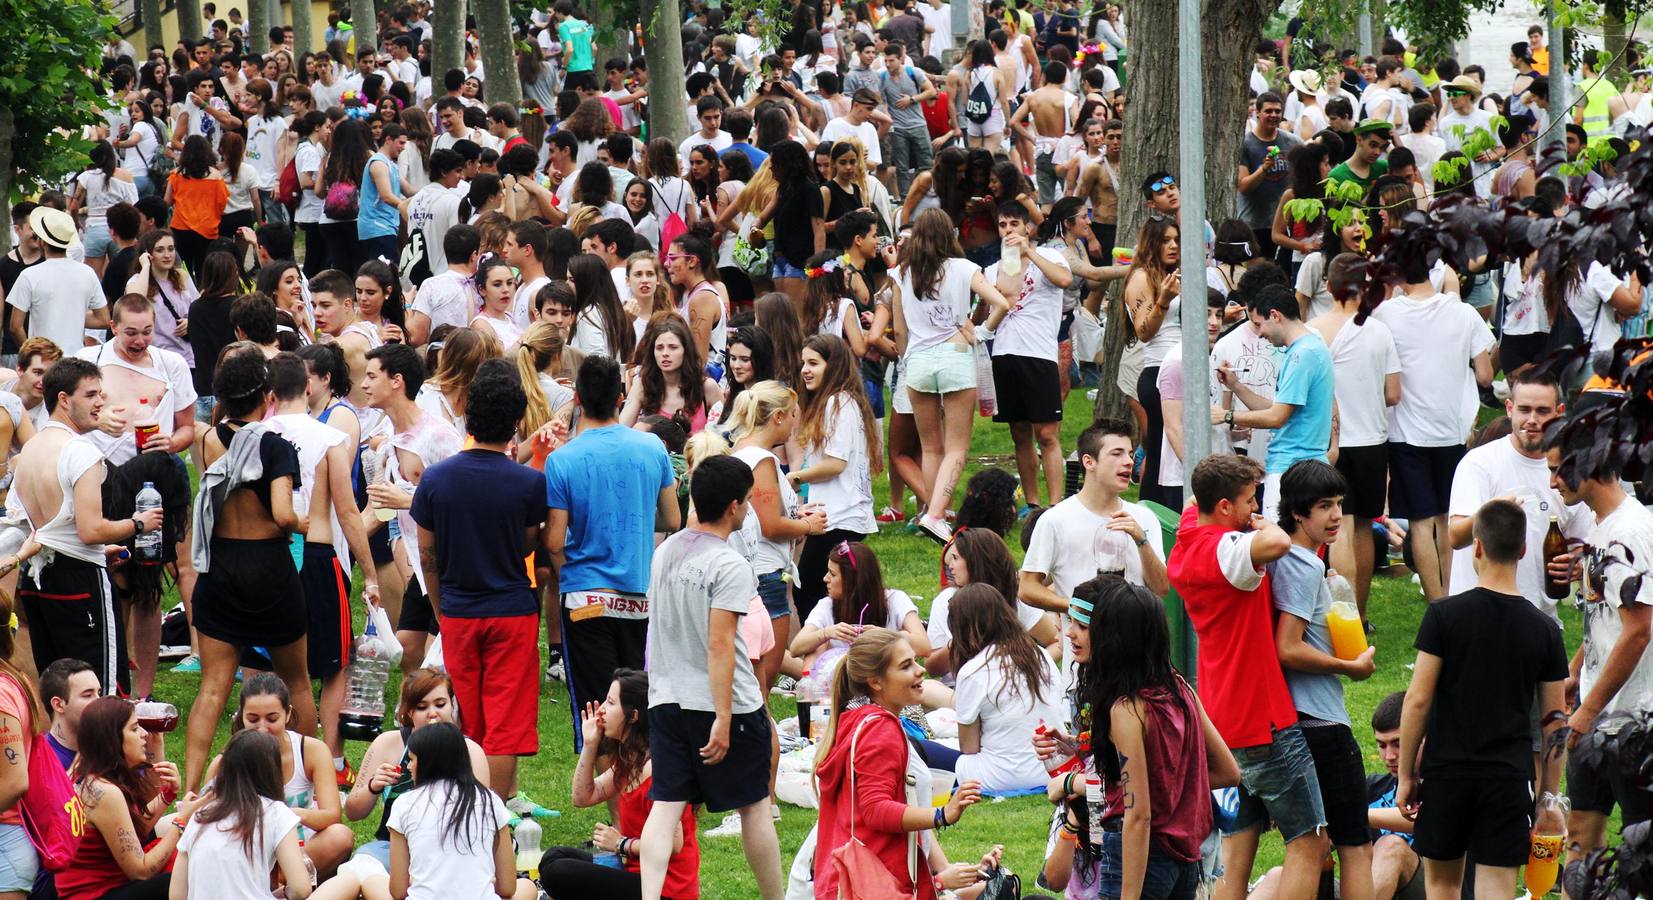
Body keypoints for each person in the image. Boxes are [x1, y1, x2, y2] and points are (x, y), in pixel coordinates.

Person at [1167, 453, 1328, 900]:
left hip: (1221, 715)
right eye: (1248, 500)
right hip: (1264, 716)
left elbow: (1190, 511)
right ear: (1223, 508)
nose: (1255, 507)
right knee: (1309, 841)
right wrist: (1261, 525)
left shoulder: (1187, 542)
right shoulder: (1227, 552)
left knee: (1239, 848)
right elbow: (1276, 543)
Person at [1396, 499, 1569, 900]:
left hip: (1446, 772)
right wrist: (1548, 794)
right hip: (1507, 778)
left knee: (1442, 885)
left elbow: (1418, 701)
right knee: (1497, 888)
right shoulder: (1546, 630)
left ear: (1476, 547)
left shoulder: (1444, 615)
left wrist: (1406, 775)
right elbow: (1555, 720)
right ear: (1524, 550)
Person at [637, 454, 781, 900]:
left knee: (666, 806)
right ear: (735, 506)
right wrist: (722, 716)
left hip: (666, 699)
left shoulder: (664, 552)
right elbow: (720, 645)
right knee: (755, 805)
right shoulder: (729, 565)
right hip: (728, 705)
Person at [1046, 576, 1239, 900]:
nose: (1070, 632)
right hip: (1183, 859)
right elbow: (1228, 771)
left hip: (1136, 858)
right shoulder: (1180, 690)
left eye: (1090, 625)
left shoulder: (1127, 709)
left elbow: (1138, 814)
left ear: (1116, 637)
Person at [412, 359, 547, 805]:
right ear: (514, 425)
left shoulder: (435, 479)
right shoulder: (529, 483)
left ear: (468, 417)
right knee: (504, 724)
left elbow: (427, 556)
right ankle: (495, 810)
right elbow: (528, 545)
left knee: (462, 715)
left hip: (458, 609)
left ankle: (458, 803)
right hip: (512, 610)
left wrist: (438, 606)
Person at [184, 350, 314, 793]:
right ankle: (309, 777)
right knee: (296, 679)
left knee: (213, 687)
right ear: (268, 396)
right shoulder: (276, 447)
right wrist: (303, 521)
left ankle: (190, 787)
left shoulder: (207, 441)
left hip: (220, 567)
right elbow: (281, 514)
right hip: (269, 568)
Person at [545, 355, 679, 749]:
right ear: (621, 397)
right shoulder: (652, 446)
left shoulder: (562, 459)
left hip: (586, 598)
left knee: (597, 710)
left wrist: (567, 568)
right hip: (638, 598)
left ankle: (618, 808)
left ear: (578, 400)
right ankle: (640, 796)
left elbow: (553, 542)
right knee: (636, 704)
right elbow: (671, 516)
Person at [812, 627, 998, 900]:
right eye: (905, 666)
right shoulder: (881, 731)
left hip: (858, 878)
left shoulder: (857, 721)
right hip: (875, 881)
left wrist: (943, 872)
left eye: (915, 660)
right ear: (876, 682)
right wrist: (942, 814)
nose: (920, 670)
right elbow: (875, 809)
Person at [264, 352, 378, 786]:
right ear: (307, 388)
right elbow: (348, 514)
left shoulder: (256, 435)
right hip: (316, 556)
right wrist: (368, 573)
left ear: (270, 394)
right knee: (333, 664)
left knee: (270, 661)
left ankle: (270, 754)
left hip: (267, 556)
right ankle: (327, 759)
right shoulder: (328, 439)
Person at [14, 358, 158, 695]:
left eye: (100, 394)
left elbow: (50, 528)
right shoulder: (79, 451)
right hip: (79, 579)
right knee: (101, 692)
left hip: (38, 580)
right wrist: (138, 523)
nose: (100, 403)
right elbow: (90, 530)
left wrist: (94, 546)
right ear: (64, 399)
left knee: (60, 693)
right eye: (91, 395)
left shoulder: (30, 449)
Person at [1543, 426, 1653, 860]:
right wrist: (1575, 671)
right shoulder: (1600, 527)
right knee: (1581, 837)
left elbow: (1639, 629)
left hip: (1636, 720)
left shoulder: (1630, 533)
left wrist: (1587, 712)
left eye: (1558, 471)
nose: (1553, 482)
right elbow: (1604, 618)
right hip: (1596, 712)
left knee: (1641, 846)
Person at [1271, 460, 1377, 900]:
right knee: (1355, 845)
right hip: (1321, 723)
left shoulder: (1282, 558)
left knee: (1310, 845)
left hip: (1288, 721)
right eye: (1323, 506)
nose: (1335, 516)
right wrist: (1350, 668)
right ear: (1297, 512)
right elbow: (1288, 647)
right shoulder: (1303, 566)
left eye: (1338, 504)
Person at [1370, 253, 1493, 602]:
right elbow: (1485, 374)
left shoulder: (1386, 315)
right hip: (1452, 429)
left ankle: (1436, 599)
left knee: (1422, 521)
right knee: (1447, 517)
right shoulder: (1463, 312)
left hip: (1407, 432)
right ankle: (1454, 592)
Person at [890, 208, 1011, 543]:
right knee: (957, 448)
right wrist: (983, 333)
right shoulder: (964, 268)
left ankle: (934, 511)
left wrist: (904, 360)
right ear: (950, 234)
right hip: (956, 356)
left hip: (917, 360)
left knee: (931, 448)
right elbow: (1001, 303)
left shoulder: (902, 272)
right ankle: (934, 514)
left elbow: (900, 330)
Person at [538, 670, 701, 899]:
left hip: (665, 890)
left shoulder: (656, 769)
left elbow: (673, 844)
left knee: (559, 872)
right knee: (554, 857)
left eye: (611, 703)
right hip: (633, 871)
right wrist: (590, 744)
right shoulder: (630, 761)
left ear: (633, 716)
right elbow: (582, 797)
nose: (601, 708)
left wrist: (621, 843)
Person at [361, 343, 461, 689]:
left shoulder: (439, 436)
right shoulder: (389, 441)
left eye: (372, 376)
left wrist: (406, 500)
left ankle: (444, 726)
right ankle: (414, 724)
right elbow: (377, 509)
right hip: (421, 565)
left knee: (438, 662)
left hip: (450, 563)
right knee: (406, 650)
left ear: (397, 381)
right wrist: (335, 547)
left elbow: (462, 501)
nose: (364, 384)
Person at [1307, 253, 1400, 623]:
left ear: (1328, 287)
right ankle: (1358, 615)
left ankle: (1341, 617)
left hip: (1329, 441)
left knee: (1338, 524)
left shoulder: (1313, 330)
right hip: (1372, 440)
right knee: (1361, 524)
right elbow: (1393, 393)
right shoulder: (1378, 332)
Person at [1445, 370, 1583, 616]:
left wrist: (1578, 565)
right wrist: (1492, 513)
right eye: (1524, 409)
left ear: (1559, 413)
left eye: (1542, 411)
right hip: (1477, 615)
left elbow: (1584, 543)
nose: (1532, 419)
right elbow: (1455, 537)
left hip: (1538, 617)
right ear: (1509, 408)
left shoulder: (1568, 471)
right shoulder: (1479, 463)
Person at [1019, 418, 1168, 630]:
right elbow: (1027, 588)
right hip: (1084, 655)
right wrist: (1075, 607)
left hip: (1138, 653)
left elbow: (1162, 588)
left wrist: (1141, 540)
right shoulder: (1056, 520)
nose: (1128, 461)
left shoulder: (1144, 518)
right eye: (1117, 454)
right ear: (1089, 462)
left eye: (1131, 454)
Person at [726, 381, 828, 685]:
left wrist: (797, 514)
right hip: (767, 574)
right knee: (762, 680)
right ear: (778, 417)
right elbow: (770, 526)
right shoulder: (763, 460)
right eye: (794, 415)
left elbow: (760, 515)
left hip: (752, 569)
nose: (795, 424)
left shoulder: (739, 450)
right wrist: (810, 526)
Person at [204, 674, 354, 875]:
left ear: (288, 714)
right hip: (246, 852)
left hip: (300, 847)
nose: (263, 728)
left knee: (340, 836)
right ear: (241, 717)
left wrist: (294, 815)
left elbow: (332, 815)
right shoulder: (224, 763)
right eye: (253, 719)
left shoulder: (311, 750)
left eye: (272, 719)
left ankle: (280, 882)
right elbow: (206, 822)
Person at [341, 669, 491, 871]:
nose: (433, 713)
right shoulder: (387, 743)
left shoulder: (471, 752)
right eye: (422, 707)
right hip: (393, 847)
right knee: (361, 866)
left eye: (440, 704)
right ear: (409, 712)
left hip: (453, 851)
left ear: (452, 704)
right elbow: (352, 812)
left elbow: (483, 815)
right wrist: (372, 787)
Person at [1215, 283, 1335, 522]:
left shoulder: (1302, 355)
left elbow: (1276, 418)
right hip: (1303, 466)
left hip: (1292, 469)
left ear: (1275, 316)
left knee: (1279, 549)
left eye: (1259, 325)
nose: (1260, 334)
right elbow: (1276, 409)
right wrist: (1236, 386)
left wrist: (1226, 415)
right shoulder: (1308, 349)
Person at [60, 696, 199, 900]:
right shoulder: (104, 792)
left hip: (98, 888)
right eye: (134, 729)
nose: (144, 734)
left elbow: (134, 830)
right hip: (94, 895)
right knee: (187, 873)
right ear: (112, 740)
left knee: (176, 854)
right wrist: (181, 822)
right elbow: (141, 871)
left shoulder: (87, 772)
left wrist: (168, 795)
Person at [384, 723, 536, 900]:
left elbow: (398, 891)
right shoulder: (490, 800)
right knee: (527, 887)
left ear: (428, 762)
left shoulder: (404, 804)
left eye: (412, 759)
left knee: (374, 881)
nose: (408, 767)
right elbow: (508, 888)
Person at [986, 201, 1072, 508]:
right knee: (1019, 433)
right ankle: (1033, 503)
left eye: (1013, 224)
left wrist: (1029, 252)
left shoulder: (1047, 255)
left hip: (1040, 354)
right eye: (1002, 225)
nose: (1008, 231)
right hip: (1005, 354)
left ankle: (1056, 503)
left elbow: (1065, 280)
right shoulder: (992, 268)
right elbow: (985, 311)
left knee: (1047, 434)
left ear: (1026, 227)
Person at [789, 336, 882, 618]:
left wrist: (795, 477)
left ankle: (822, 652)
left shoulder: (837, 403)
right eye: (803, 363)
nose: (805, 369)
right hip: (841, 514)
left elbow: (835, 464)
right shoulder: (843, 402)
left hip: (838, 516)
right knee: (831, 593)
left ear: (835, 366)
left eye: (813, 363)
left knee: (809, 591)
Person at [170, 729, 313, 900]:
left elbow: (176, 895)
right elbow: (301, 888)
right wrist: (284, 894)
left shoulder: (200, 816)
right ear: (272, 771)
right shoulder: (276, 813)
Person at [791, 540, 929, 668]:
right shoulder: (827, 605)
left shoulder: (894, 599)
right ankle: (814, 692)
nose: (825, 578)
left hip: (885, 677)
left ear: (852, 579)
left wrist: (884, 636)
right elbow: (796, 648)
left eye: (832, 574)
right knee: (815, 648)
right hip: (841, 681)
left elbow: (924, 646)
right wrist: (826, 633)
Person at [5, 208, 107, 355]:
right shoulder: (87, 273)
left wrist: (32, 355)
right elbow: (103, 319)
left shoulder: (29, 275)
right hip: (75, 359)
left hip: (43, 359)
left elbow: (15, 326)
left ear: (42, 242)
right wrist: (70, 314)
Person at [1363, 693, 1422, 900]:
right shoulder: (1372, 788)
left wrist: (1356, 816)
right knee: (1276, 877)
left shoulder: (1449, 785)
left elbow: (1430, 821)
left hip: (1436, 890)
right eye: (1382, 745)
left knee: (1391, 846)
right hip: (1372, 889)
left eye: (1398, 743)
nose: (1389, 756)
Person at [1238, 93, 1301, 261]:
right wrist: (1263, 169)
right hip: (1255, 224)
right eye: (1268, 111)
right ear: (1257, 113)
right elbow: (1243, 186)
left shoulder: (1292, 142)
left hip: (1285, 225)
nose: (1274, 115)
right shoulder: (1246, 144)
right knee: (1258, 273)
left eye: (1277, 111)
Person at [40, 657, 100, 769]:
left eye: (99, 693)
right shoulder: (40, 759)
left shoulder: (109, 748)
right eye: (88, 695)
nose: (99, 701)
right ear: (58, 705)